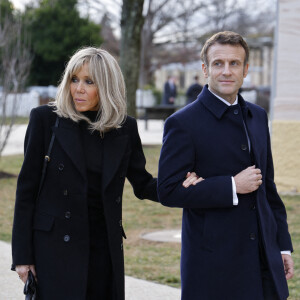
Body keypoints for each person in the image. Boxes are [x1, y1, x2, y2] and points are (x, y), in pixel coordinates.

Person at [11, 47, 197, 300]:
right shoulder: (45, 120)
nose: (78, 88)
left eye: (89, 81)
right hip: (54, 249)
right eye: (74, 79)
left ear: (107, 86)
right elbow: (26, 191)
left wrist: (180, 185)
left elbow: (142, 184)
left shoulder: (124, 128)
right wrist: (23, 257)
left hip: (103, 248)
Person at [158, 31, 294, 300]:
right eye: (218, 63)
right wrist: (232, 185)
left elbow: (268, 187)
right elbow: (168, 190)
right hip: (213, 264)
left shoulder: (258, 116)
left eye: (234, 64)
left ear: (245, 70)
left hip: (262, 257)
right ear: (205, 69)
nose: (226, 71)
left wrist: (282, 246)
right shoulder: (183, 123)